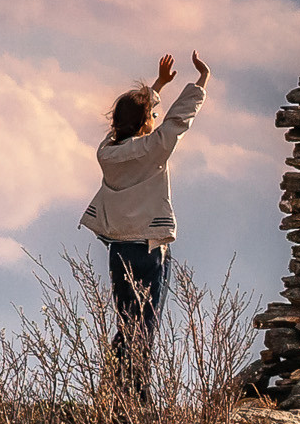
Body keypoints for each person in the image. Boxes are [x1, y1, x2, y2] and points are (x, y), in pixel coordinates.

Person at [81, 51, 210, 392]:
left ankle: (114, 393)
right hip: (150, 249)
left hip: (119, 249)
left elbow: (136, 122)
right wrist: (200, 83)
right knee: (146, 327)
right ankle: (136, 399)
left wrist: (157, 87)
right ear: (144, 123)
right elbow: (177, 121)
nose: (155, 117)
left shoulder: (105, 153)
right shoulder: (155, 148)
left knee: (126, 325)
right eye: (151, 114)